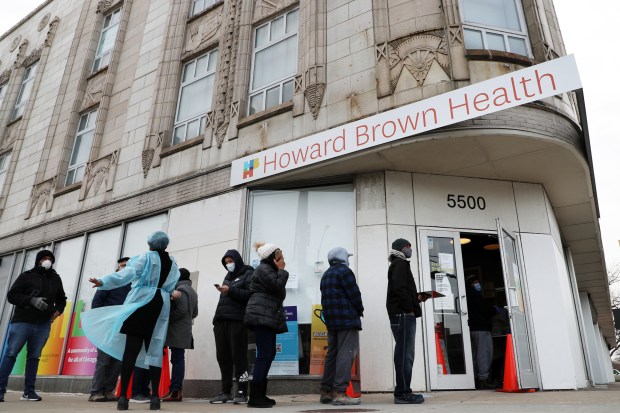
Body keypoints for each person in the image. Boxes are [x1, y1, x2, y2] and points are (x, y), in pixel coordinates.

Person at [82, 231, 180, 411]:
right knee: (155, 351)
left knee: (131, 351)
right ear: (165, 245)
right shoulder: (173, 263)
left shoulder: (145, 257)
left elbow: (127, 273)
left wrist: (104, 282)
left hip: (141, 303)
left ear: (150, 244)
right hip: (160, 305)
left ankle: (123, 399)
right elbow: (172, 284)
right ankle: (155, 398)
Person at [0, 250, 66, 402]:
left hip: (43, 324)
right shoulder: (26, 276)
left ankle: (29, 392)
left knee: (34, 357)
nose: (47, 260)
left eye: (50, 258)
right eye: (44, 258)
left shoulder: (55, 278)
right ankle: (0, 389)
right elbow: (12, 295)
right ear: (38, 261)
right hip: (22, 321)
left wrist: (58, 310)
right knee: (11, 354)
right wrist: (31, 300)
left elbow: (62, 299)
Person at [244, 242, 288, 408]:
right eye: (279, 255)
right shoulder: (264, 269)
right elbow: (277, 286)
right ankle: (255, 397)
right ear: (271, 257)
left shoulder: (269, 270)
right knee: (264, 354)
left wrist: (280, 271)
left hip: (267, 315)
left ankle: (260, 394)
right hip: (261, 316)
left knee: (269, 353)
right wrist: (282, 270)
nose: (282, 257)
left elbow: (277, 290)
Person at [319, 247, 364, 406]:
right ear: (343, 258)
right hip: (346, 319)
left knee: (332, 354)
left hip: (332, 321)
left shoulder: (326, 275)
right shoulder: (345, 272)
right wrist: (359, 311)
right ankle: (340, 393)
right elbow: (355, 295)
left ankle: (326, 392)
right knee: (347, 353)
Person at [386, 238, 427, 405]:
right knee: (405, 354)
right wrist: (409, 307)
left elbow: (402, 289)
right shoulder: (400, 264)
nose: (410, 249)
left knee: (405, 353)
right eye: (407, 246)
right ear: (400, 249)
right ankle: (402, 393)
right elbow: (400, 289)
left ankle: (403, 391)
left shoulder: (399, 264)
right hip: (403, 315)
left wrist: (416, 298)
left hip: (402, 314)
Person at [211, 250, 254, 404]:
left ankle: (242, 392)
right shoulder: (228, 277)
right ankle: (225, 391)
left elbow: (250, 295)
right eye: (226, 262)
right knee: (223, 357)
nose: (228, 264)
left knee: (239, 357)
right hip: (221, 320)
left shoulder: (249, 274)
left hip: (237, 320)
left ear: (237, 260)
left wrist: (231, 290)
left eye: (230, 260)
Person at [88, 257, 131, 402]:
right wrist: (100, 322)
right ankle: (96, 392)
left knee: (117, 361)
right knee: (104, 360)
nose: (125, 268)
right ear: (118, 267)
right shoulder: (108, 282)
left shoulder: (132, 285)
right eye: (123, 265)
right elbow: (97, 303)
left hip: (123, 327)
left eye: (128, 266)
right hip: (107, 327)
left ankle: (108, 391)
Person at [162, 268, 198, 402]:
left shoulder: (181, 290)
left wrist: (167, 318)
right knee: (178, 359)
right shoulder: (192, 291)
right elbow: (194, 313)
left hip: (177, 330)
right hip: (184, 330)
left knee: (177, 360)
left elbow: (181, 310)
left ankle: (175, 390)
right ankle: (174, 389)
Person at [465, 274, 499, 390]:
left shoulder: (466, 296)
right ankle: (483, 380)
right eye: (475, 282)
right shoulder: (475, 295)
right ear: (471, 285)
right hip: (481, 329)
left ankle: (474, 380)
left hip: (473, 329)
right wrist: (494, 309)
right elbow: (484, 310)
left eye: (477, 282)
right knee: (484, 354)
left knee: (475, 355)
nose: (477, 284)